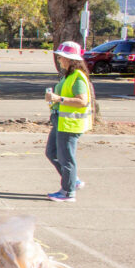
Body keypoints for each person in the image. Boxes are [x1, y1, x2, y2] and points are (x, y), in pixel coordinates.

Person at [44, 41, 93, 202]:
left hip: (70, 124)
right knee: (52, 153)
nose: (59, 60)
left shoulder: (78, 77)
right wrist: (54, 101)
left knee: (66, 158)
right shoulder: (69, 75)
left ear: (71, 59)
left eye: (62, 57)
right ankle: (73, 180)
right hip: (61, 121)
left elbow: (82, 101)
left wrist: (60, 99)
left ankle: (68, 191)